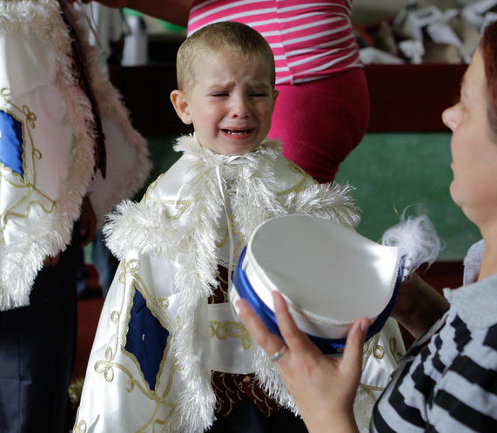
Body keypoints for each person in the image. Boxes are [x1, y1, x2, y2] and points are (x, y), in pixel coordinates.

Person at [236, 1, 497, 431]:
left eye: (465, 103)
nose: (449, 116)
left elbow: (479, 382)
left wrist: (324, 411)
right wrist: (415, 305)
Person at [74, 21, 404, 433]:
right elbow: (140, 307)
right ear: (184, 106)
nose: (241, 108)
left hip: (285, 387)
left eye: (257, 93)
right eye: (220, 94)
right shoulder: (168, 202)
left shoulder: (297, 193)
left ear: (275, 98)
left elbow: (333, 282)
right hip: (198, 388)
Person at [0, 0, 150, 432]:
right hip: (28, 218)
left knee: (37, 376)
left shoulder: (44, 11)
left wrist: (76, 193)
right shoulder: (18, 16)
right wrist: (36, 215)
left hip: (47, 213)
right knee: (24, 371)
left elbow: (62, 110)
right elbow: (16, 108)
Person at [77, 0, 370, 184]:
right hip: (289, 77)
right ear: (182, 107)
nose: (240, 109)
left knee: (280, 230)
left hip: (296, 76)